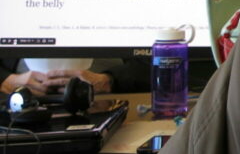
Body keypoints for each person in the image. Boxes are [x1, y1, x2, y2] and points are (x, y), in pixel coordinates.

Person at [1, 56, 149, 98]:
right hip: (21, 98)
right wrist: (6, 80)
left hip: (108, 97)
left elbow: (161, 61)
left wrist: (109, 80)